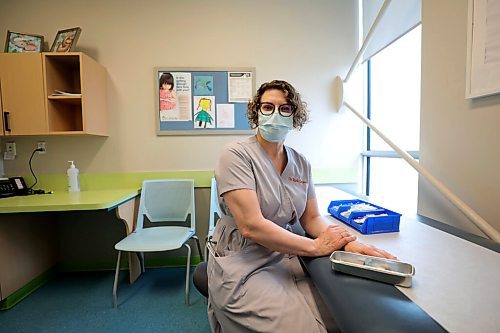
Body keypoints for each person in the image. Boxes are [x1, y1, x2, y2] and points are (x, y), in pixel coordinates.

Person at [207, 80, 396, 333]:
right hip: (244, 257)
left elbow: (312, 219)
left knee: (331, 316)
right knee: (298, 327)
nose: (275, 114)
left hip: (287, 251)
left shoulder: (301, 162)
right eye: (267, 107)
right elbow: (251, 226)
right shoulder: (235, 154)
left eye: (284, 109)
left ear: (294, 116)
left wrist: (348, 242)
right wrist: (316, 247)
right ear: (256, 113)